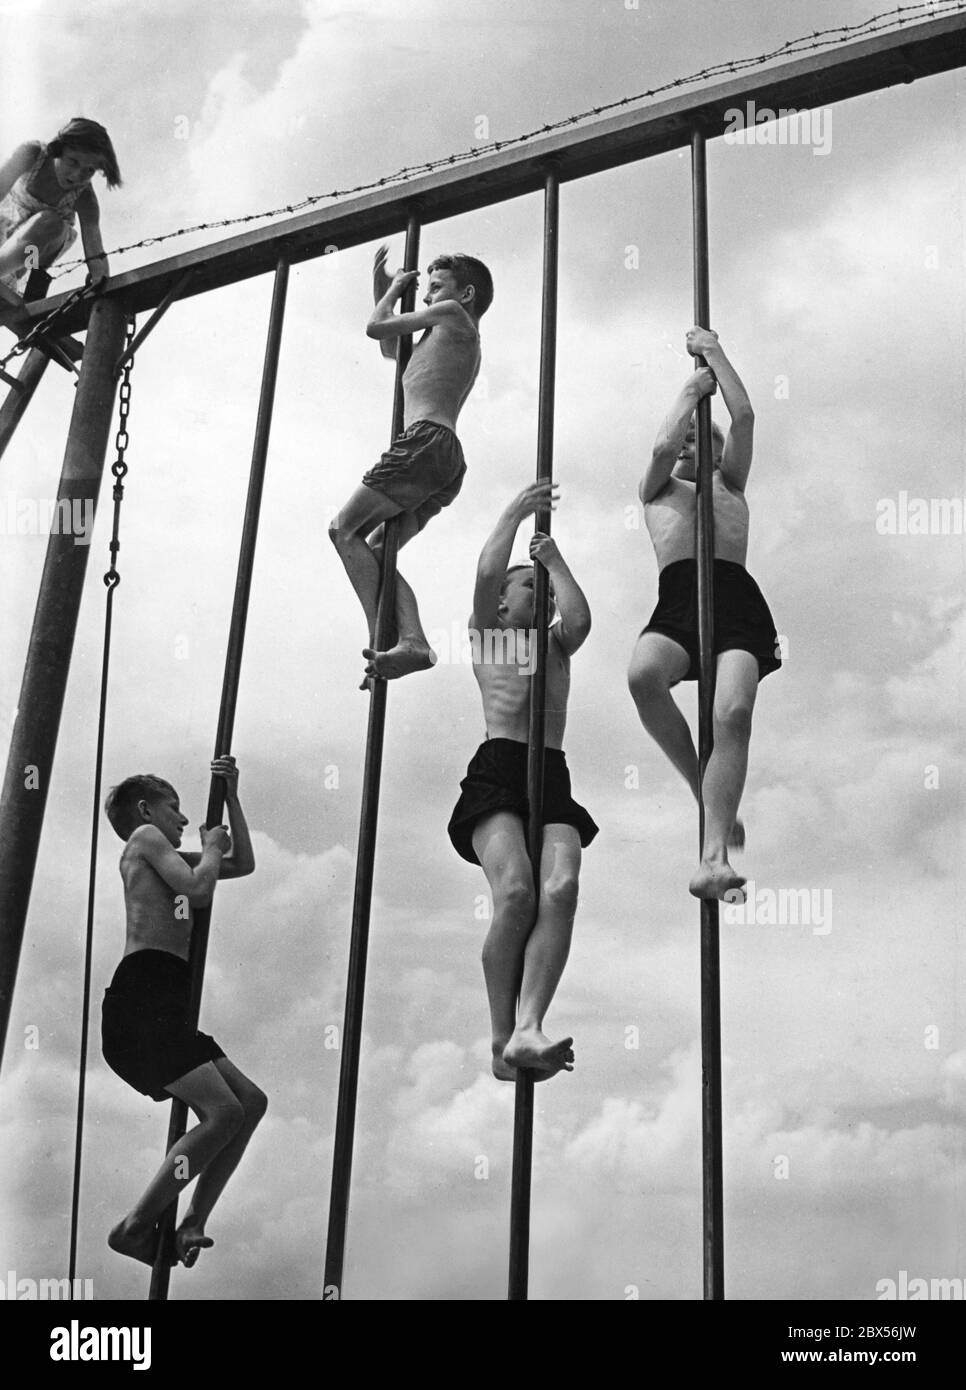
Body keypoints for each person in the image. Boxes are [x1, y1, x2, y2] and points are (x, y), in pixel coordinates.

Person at [448, 481, 597, 1081]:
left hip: (551, 770)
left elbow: (581, 617)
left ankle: (530, 1025)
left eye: (545, 588)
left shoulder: (557, 645)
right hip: (499, 766)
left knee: (560, 889)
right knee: (515, 894)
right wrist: (514, 512)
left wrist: (553, 558)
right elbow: (487, 572)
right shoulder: (493, 635)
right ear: (504, 605)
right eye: (528, 584)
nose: (541, 593)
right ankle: (499, 1038)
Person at [628, 327, 781, 902]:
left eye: (702, 440)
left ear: (717, 453)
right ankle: (702, 787)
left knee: (733, 712)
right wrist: (689, 394)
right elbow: (661, 450)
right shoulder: (657, 490)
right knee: (644, 675)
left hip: (735, 598)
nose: (690, 445)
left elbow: (743, 418)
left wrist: (715, 352)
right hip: (678, 599)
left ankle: (713, 856)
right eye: (687, 438)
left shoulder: (730, 484)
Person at [101, 756, 265, 1270]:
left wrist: (232, 799)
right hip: (142, 1002)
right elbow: (199, 888)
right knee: (224, 1113)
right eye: (174, 808)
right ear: (147, 810)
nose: (181, 818)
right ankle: (133, 1226)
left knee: (250, 1103)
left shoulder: (160, 853)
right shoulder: (145, 840)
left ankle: (193, 1219)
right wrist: (211, 847)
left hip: (166, 1005)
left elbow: (240, 864)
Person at [329, 246, 492, 683]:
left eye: (436, 288)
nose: (427, 297)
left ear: (466, 294)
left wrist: (397, 287)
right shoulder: (440, 333)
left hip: (425, 444)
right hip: (443, 460)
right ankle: (413, 641)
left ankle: (379, 639)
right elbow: (388, 346)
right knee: (380, 551)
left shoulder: (456, 318)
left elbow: (374, 327)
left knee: (343, 529)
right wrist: (383, 287)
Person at [0, 118, 120, 327]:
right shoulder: (32, 154)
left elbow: (95, 250)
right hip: (4, 234)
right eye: (73, 162)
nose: (77, 176)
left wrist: (103, 286)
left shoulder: (85, 199)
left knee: (51, 223)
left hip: (29, 258)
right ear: (58, 149)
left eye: (89, 170)